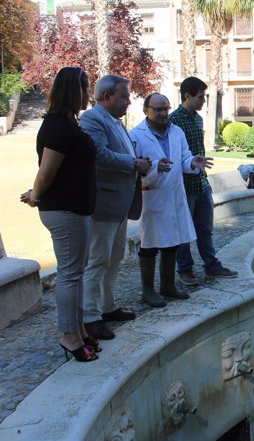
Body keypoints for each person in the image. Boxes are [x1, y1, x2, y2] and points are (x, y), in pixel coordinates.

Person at [20, 67, 99, 362]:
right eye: (84, 88)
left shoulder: (69, 124)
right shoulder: (57, 126)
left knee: (75, 274)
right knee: (69, 275)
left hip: (74, 210)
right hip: (64, 211)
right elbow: (47, 171)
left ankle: (78, 330)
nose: (87, 94)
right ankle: (68, 336)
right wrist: (36, 195)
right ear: (72, 90)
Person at [80, 75, 152, 340]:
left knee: (113, 259)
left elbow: (121, 155)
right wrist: (133, 163)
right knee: (97, 261)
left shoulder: (116, 122)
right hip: (104, 205)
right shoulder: (92, 119)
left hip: (120, 205)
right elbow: (98, 155)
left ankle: (107, 308)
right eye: (123, 96)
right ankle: (90, 317)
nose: (128, 102)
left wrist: (136, 161)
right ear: (107, 97)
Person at [130, 93, 214, 307]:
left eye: (165, 108)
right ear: (146, 110)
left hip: (175, 194)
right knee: (149, 244)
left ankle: (168, 286)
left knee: (172, 242)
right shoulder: (136, 136)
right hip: (152, 196)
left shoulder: (176, 131)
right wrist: (155, 167)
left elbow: (184, 157)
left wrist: (194, 162)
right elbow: (134, 168)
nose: (162, 113)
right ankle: (148, 291)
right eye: (157, 109)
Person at [169, 76, 237, 286]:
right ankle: (185, 269)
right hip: (185, 186)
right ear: (187, 96)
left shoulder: (198, 119)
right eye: (201, 97)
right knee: (184, 231)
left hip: (202, 184)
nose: (204, 101)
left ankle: (211, 265)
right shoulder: (173, 121)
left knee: (205, 228)